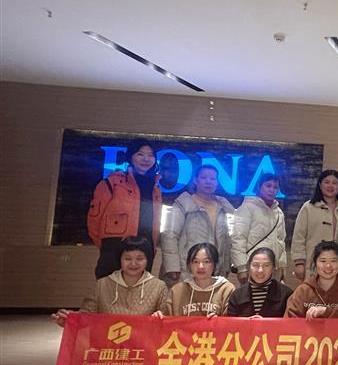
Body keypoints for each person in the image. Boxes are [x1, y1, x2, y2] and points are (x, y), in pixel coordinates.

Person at [87, 138, 162, 279]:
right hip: (114, 250)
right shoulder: (112, 183)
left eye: (151, 155)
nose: (146, 159)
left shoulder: (155, 189)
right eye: (140, 154)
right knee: (109, 290)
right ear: (130, 157)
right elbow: (94, 220)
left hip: (145, 251)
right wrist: (108, 247)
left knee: (140, 291)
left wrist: (151, 248)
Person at [52, 236, 166, 325]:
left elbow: (167, 318)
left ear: (147, 260)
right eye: (127, 258)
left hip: (142, 344)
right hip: (107, 343)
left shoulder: (159, 286)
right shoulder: (102, 284)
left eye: (140, 259)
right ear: (120, 259)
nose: (133, 263)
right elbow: (86, 315)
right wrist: (69, 318)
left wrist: (161, 316)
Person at [160, 165, 235, 282]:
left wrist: (226, 267)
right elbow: (170, 235)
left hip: (215, 270)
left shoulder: (224, 207)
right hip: (186, 269)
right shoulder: (183, 204)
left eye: (213, 178)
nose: (208, 181)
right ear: (195, 180)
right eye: (204, 178)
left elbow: (228, 240)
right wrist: (172, 266)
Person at [231, 173, 287, 284]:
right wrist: (241, 267)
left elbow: (281, 241)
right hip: (253, 266)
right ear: (259, 187)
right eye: (268, 186)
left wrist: (282, 267)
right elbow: (238, 238)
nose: (271, 190)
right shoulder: (247, 208)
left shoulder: (278, 212)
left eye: (275, 187)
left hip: (274, 268)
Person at [291, 170, 338, 280]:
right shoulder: (308, 207)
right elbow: (299, 236)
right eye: (327, 182)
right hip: (313, 263)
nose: (330, 186)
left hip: (336, 265)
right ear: (320, 185)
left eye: (334, 183)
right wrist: (299, 262)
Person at [284, 240, 338, 319]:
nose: (328, 266)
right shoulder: (303, 291)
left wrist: (326, 311)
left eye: (333, 261)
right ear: (315, 263)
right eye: (323, 261)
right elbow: (290, 319)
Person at [167, 242, 236, 317]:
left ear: (215, 264)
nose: (201, 266)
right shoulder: (177, 291)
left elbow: (232, 321)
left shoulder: (226, 289)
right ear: (189, 265)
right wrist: (159, 316)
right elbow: (166, 319)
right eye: (195, 262)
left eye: (206, 261)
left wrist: (219, 321)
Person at [225, 247, 293, 318]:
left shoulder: (286, 294)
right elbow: (231, 322)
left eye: (266, 265)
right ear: (248, 267)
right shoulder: (237, 295)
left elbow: (290, 322)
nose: (260, 270)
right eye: (255, 265)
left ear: (273, 268)